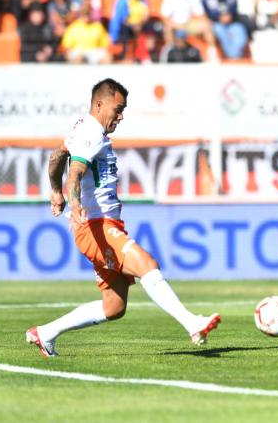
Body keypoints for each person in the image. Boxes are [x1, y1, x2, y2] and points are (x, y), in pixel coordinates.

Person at [26, 79, 220, 358]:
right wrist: (75, 202)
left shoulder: (84, 129)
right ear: (99, 104)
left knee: (113, 307)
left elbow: (58, 156)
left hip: (104, 225)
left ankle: (45, 333)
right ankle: (193, 323)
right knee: (148, 265)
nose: (121, 116)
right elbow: (76, 172)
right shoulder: (91, 133)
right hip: (96, 226)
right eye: (118, 109)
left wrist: (56, 192)